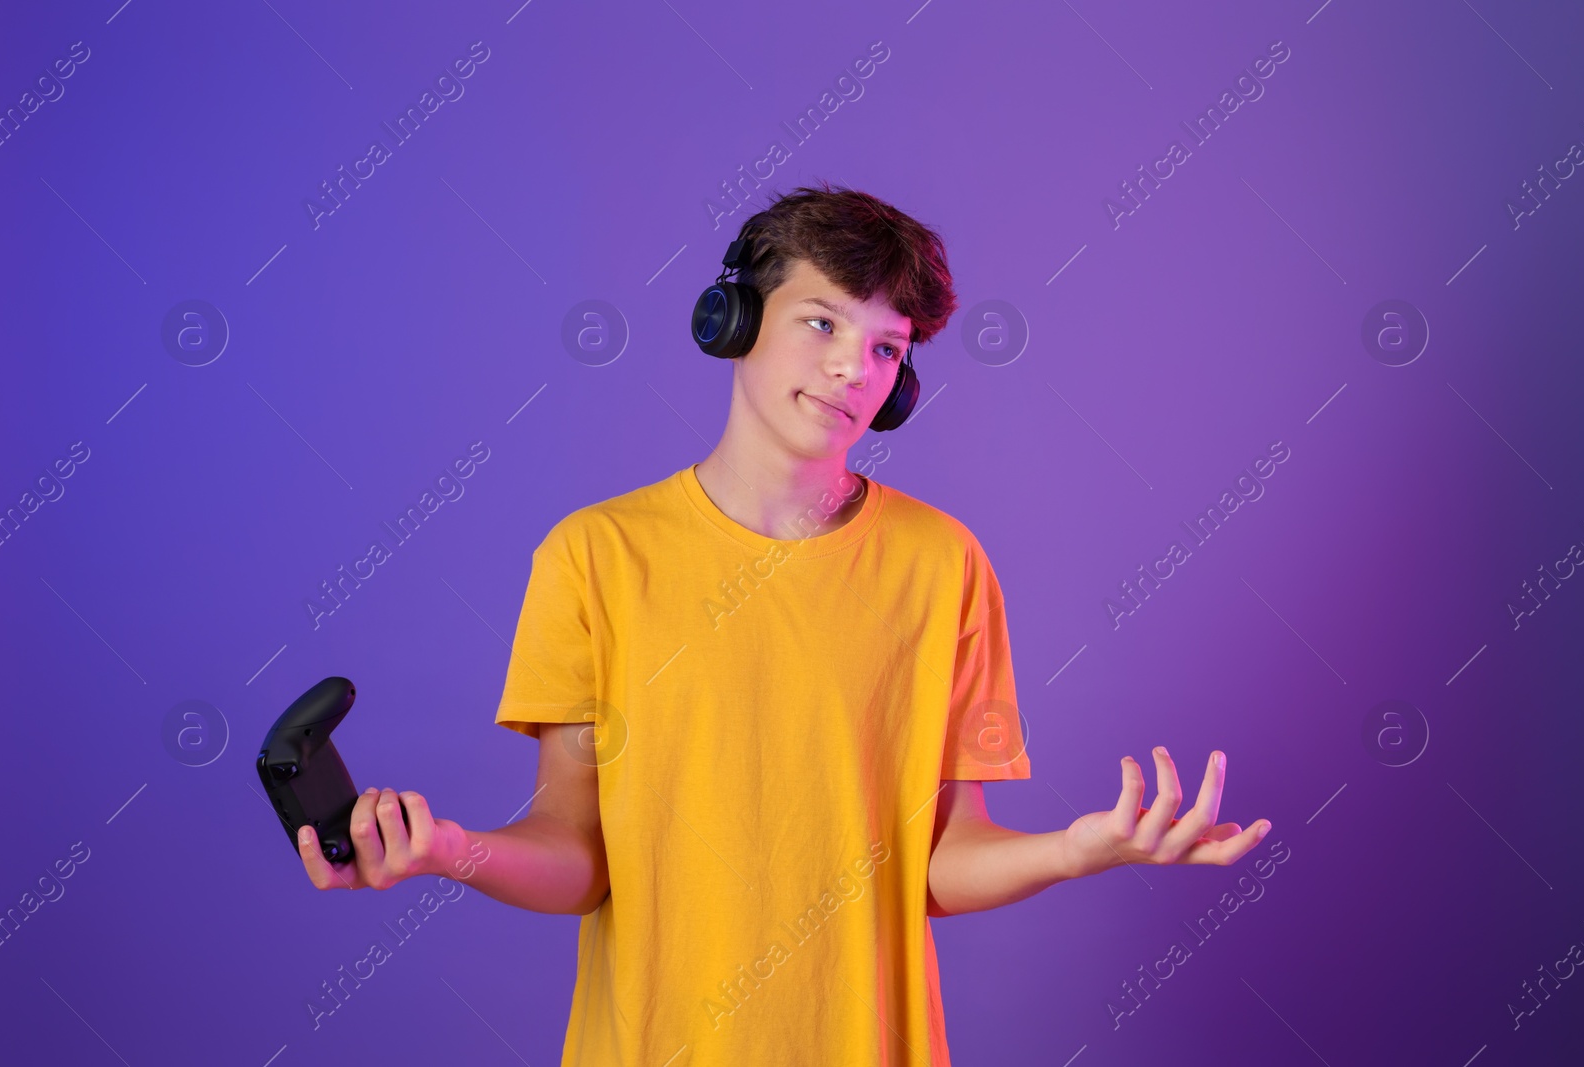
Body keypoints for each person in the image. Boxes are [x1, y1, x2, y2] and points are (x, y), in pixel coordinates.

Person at [296, 182, 1272, 1065]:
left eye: (887, 346)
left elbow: (941, 861)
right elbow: (579, 851)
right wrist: (445, 849)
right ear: (732, 322)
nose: (854, 367)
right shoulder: (592, 556)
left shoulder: (944, 564)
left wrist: (1080, 847)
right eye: (821, 323)